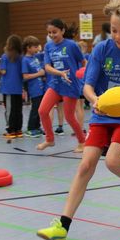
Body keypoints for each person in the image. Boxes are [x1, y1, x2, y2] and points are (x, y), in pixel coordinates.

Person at [36, 0, 120, 240]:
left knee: (113, 161)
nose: (118, 36)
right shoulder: (102, 50)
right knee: (85, 166)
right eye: (114, 30)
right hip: (102, 113)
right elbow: (86, 86)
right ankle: (62, 226)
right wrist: (94, 98)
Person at [37, 18, 86, 152]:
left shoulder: (71, 45)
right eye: (49, 33)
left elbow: (83, 63)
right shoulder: (48, 47)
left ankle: (82, 141)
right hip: (55, 84)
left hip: (70, 85)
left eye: (55, 32)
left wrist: (86, 77)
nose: (52, 35)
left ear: (62, 31)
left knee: (69, 117)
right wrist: (60, 73)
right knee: (42, 111)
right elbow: (47, 67)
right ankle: (50, 139)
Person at [0, 34, 24, 138]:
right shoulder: (21, 57)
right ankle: (18, 129)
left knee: (9, 109)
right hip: (18, 86)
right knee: (18, 109)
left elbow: (3, 71)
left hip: (8, 88)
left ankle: (11, 129)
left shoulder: (5, 56)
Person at [22, 36, 45, 138]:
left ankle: (37, 126)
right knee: (35, 109)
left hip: (40, 88)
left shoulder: (35, 58)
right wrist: (39, 74)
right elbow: (25, 76)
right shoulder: (25, 60)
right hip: (34, 89)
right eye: (35, 47)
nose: (37, 49)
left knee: (40, 109)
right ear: (28, 47)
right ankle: (31, 128)